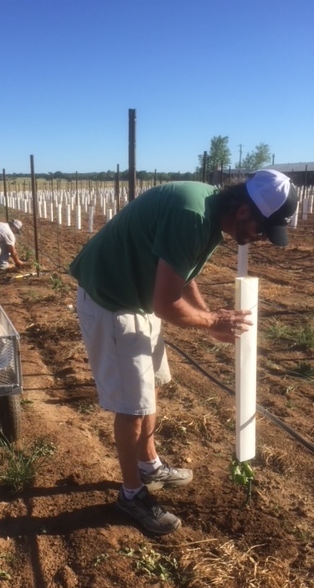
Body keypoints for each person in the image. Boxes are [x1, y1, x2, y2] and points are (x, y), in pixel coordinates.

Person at [69, 169, 297, 536]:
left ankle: (150, 464)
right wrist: (210, 324)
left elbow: (183, 274)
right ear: (243, 212)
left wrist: (209, 315)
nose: (259, 240)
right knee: (132, 405)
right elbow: (166, 303)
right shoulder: (192, 216)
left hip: (136, 299)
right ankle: (131, 493)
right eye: (261, 230)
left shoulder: (209, 210)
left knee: (150, 386)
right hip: (113, 300)